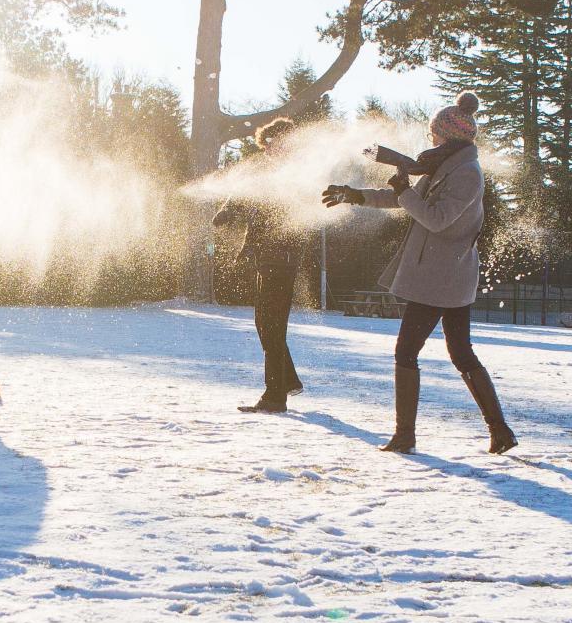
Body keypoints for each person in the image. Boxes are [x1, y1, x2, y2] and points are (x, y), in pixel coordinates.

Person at [323, 93, 516, 455]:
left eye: (434, 133)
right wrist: (355, 195)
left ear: (449, 135)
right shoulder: (447, 167)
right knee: (461, 354)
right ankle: (500, 431)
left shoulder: (466, 175)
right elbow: (402, 198)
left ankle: (405, 435)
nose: (431, 139)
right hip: (448, 276)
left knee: (406, 351)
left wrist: (406, 192)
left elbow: (436, 219)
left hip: (440, 278)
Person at [210, 117, 309, 413]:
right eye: (266, 145)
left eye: (274, 144)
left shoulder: (298, 173)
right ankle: (287, 381)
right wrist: (227, 211)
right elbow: (244, 194)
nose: (268, 150)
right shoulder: (266, 171)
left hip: (283, 258)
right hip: (265, 257)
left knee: (273, 324)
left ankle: (274, 396)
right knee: (264, 323)